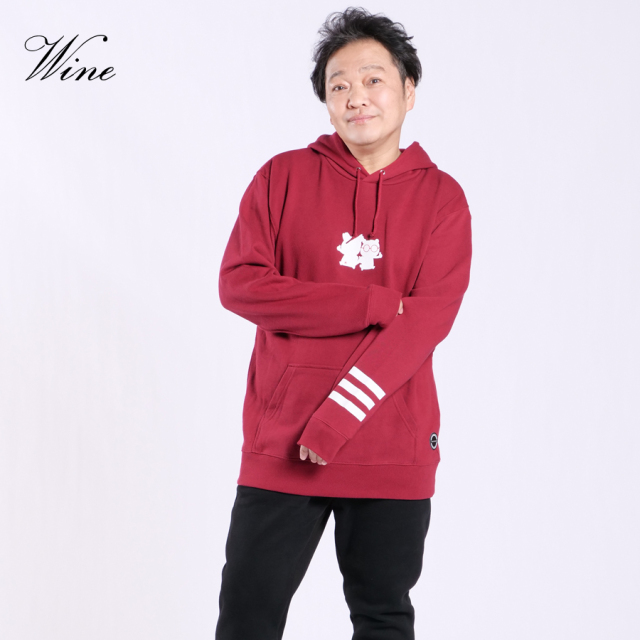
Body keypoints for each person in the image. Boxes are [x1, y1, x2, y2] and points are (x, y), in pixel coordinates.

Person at [215, 7, 473, 639]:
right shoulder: (281, 177)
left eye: (373, 80)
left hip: (390, 448)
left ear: (409, 90)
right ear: (326, 102)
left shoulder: (442, 199)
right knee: (247, 617)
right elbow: (241, 284)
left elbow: (424, 325)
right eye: (339, 85)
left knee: (383, 619)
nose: (357, 97)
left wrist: (333, 422)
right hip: (281, 445)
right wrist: (372, 305)